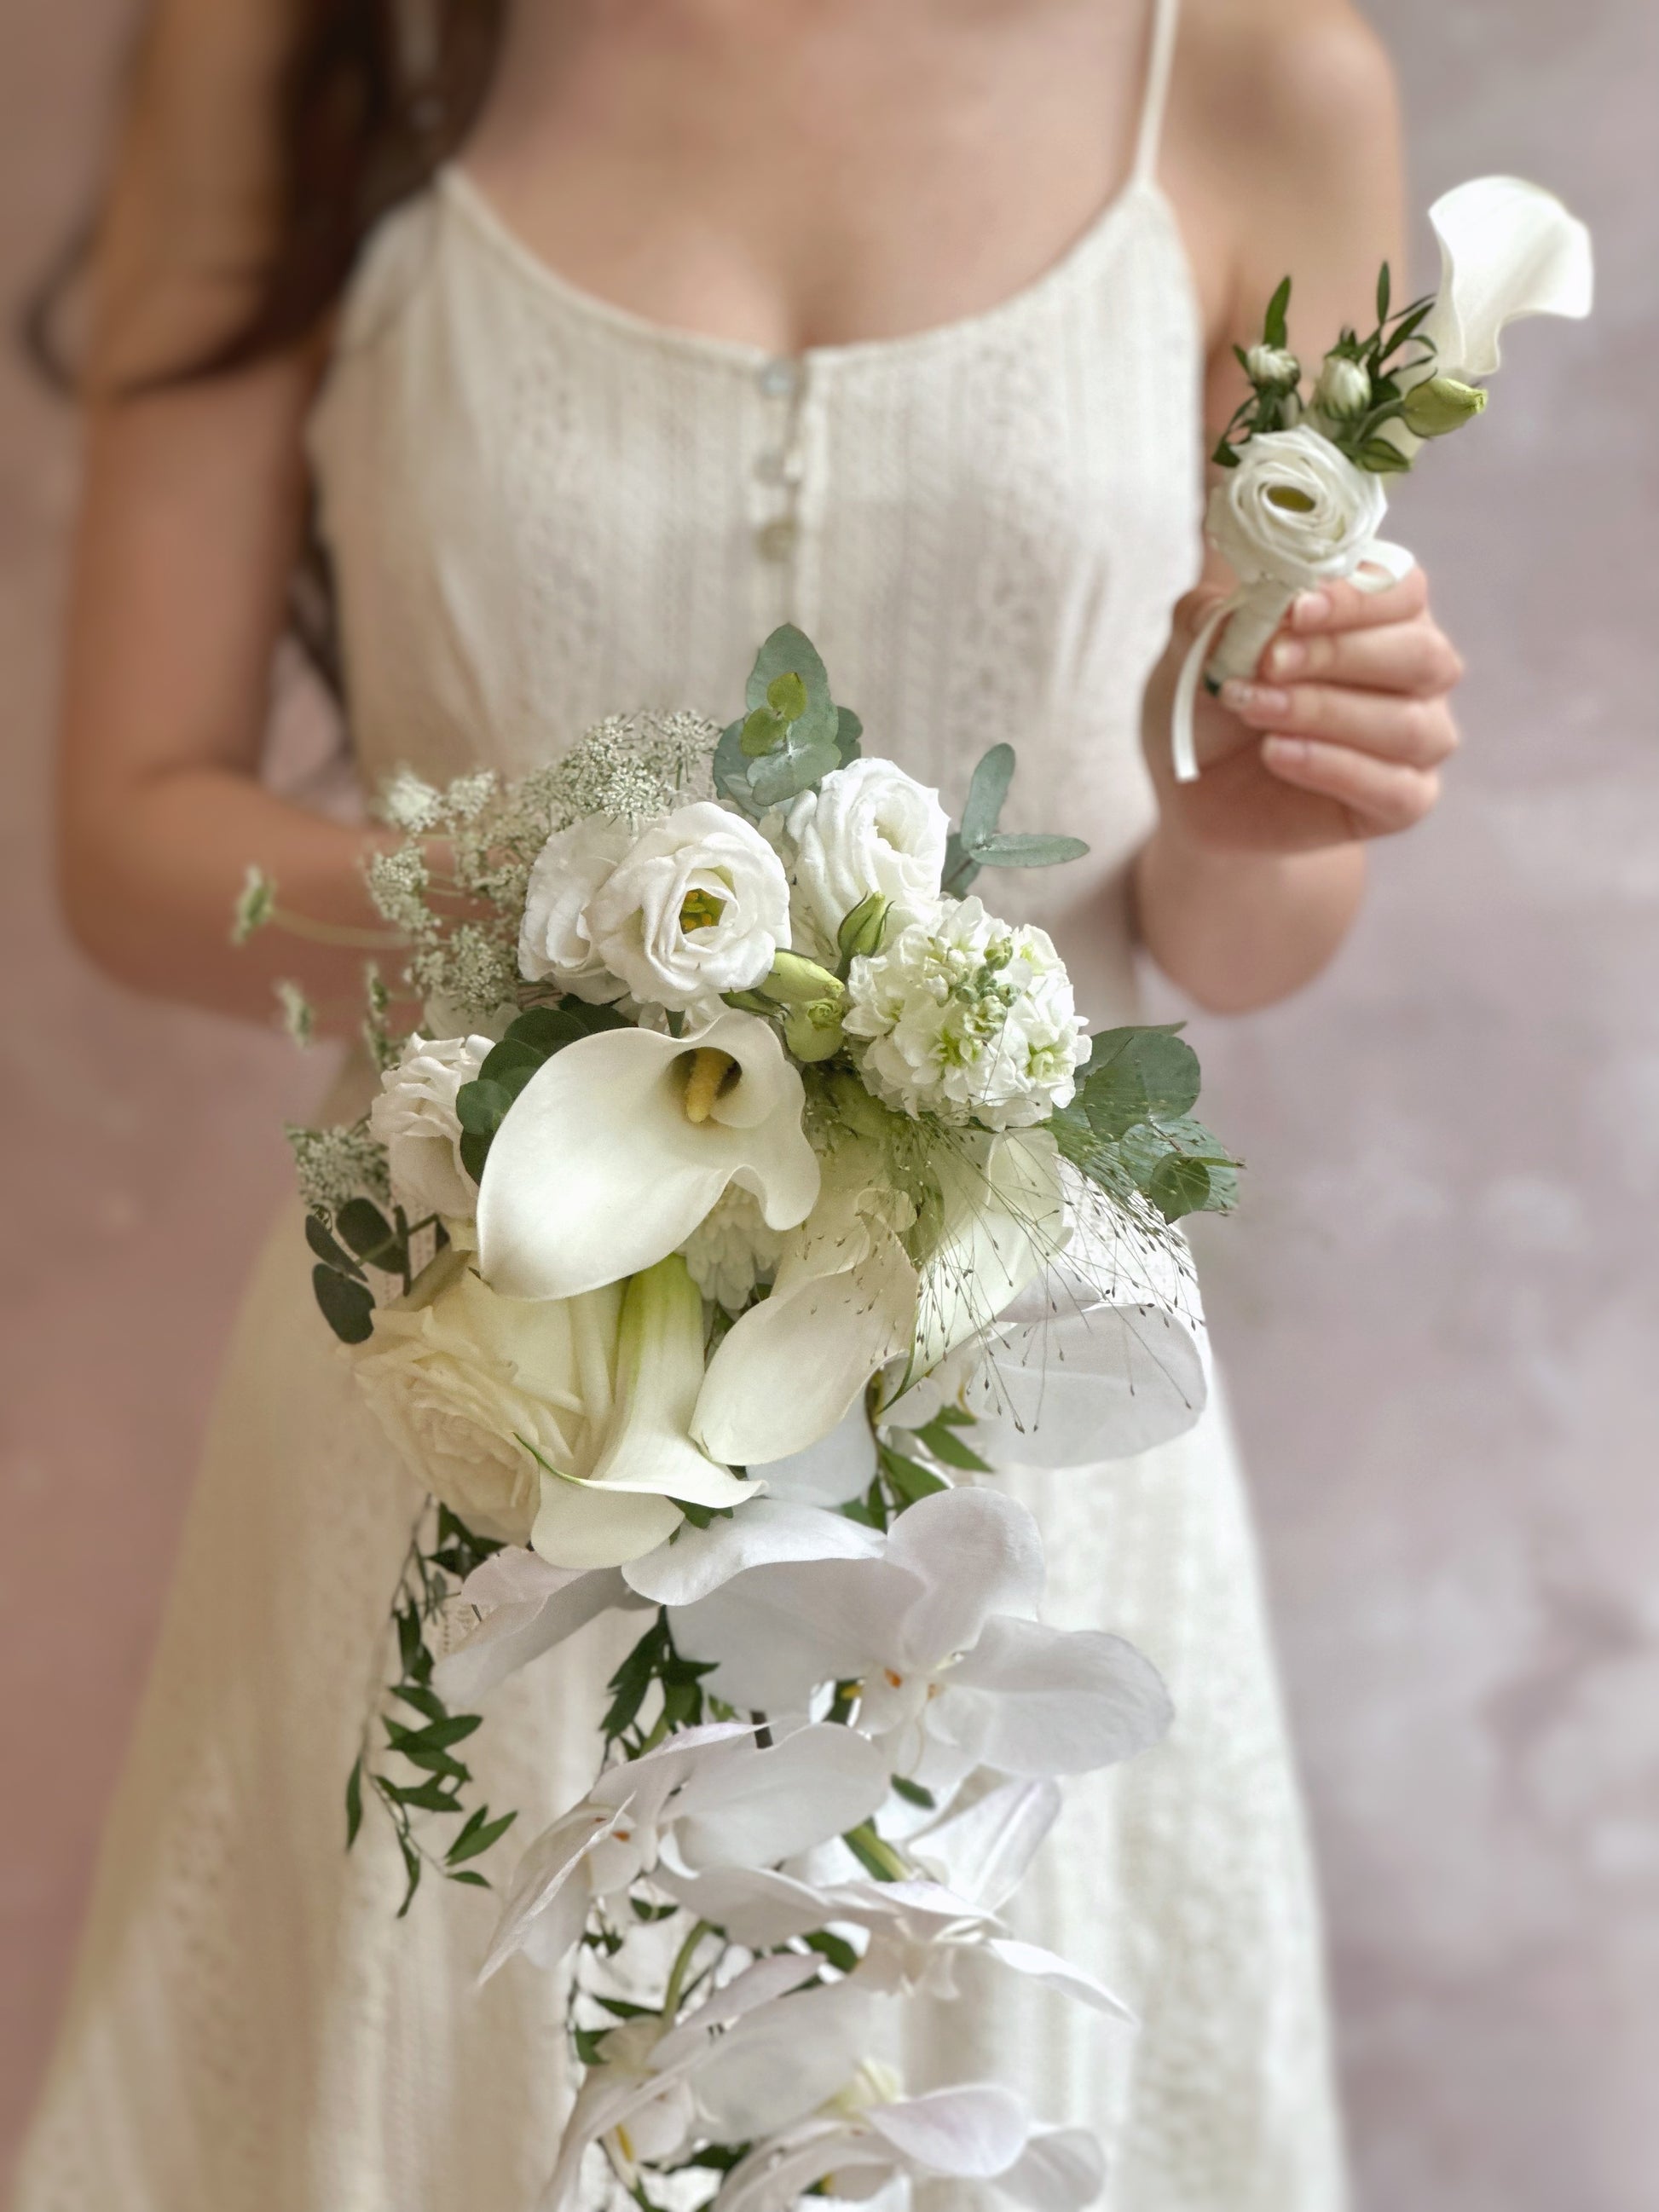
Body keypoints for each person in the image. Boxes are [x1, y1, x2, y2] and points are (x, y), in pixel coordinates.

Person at [18, 2, 1464, 2207]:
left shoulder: (1257, 77)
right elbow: (130, 843)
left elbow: (1238, 931)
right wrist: (587, 914)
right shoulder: (303, 41)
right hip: (465, 1387)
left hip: (1017, 1432)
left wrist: (1269, 801)